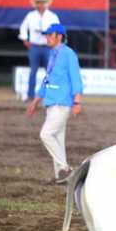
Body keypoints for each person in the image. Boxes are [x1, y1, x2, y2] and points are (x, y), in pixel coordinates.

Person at [26, 24, 83, 184]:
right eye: (46, 35)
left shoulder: (68, 54)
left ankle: (65, 169)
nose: (47, 37)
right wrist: (36, 100)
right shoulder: (53, 54)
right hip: (51, 102)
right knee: (57, 139)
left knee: (46, 134)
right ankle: (61, 176)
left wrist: (77, 101)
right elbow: (47, 79)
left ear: (59, 36)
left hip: (61, 102)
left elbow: (76, 78)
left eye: (49, 35)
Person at [19, 0, 60, 101]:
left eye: (42, 3)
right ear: (36, 4)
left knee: (50, 72)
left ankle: (51, 96)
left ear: (46, 4)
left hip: (47, 47)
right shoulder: (30, 15)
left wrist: (53, 40)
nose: (41, 5)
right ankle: (30, 95)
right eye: (39, 3)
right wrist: (25, 39)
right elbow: (23, 27)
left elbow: (58, 29)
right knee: (33, 71)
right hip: (34, 46)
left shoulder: (52, 16)